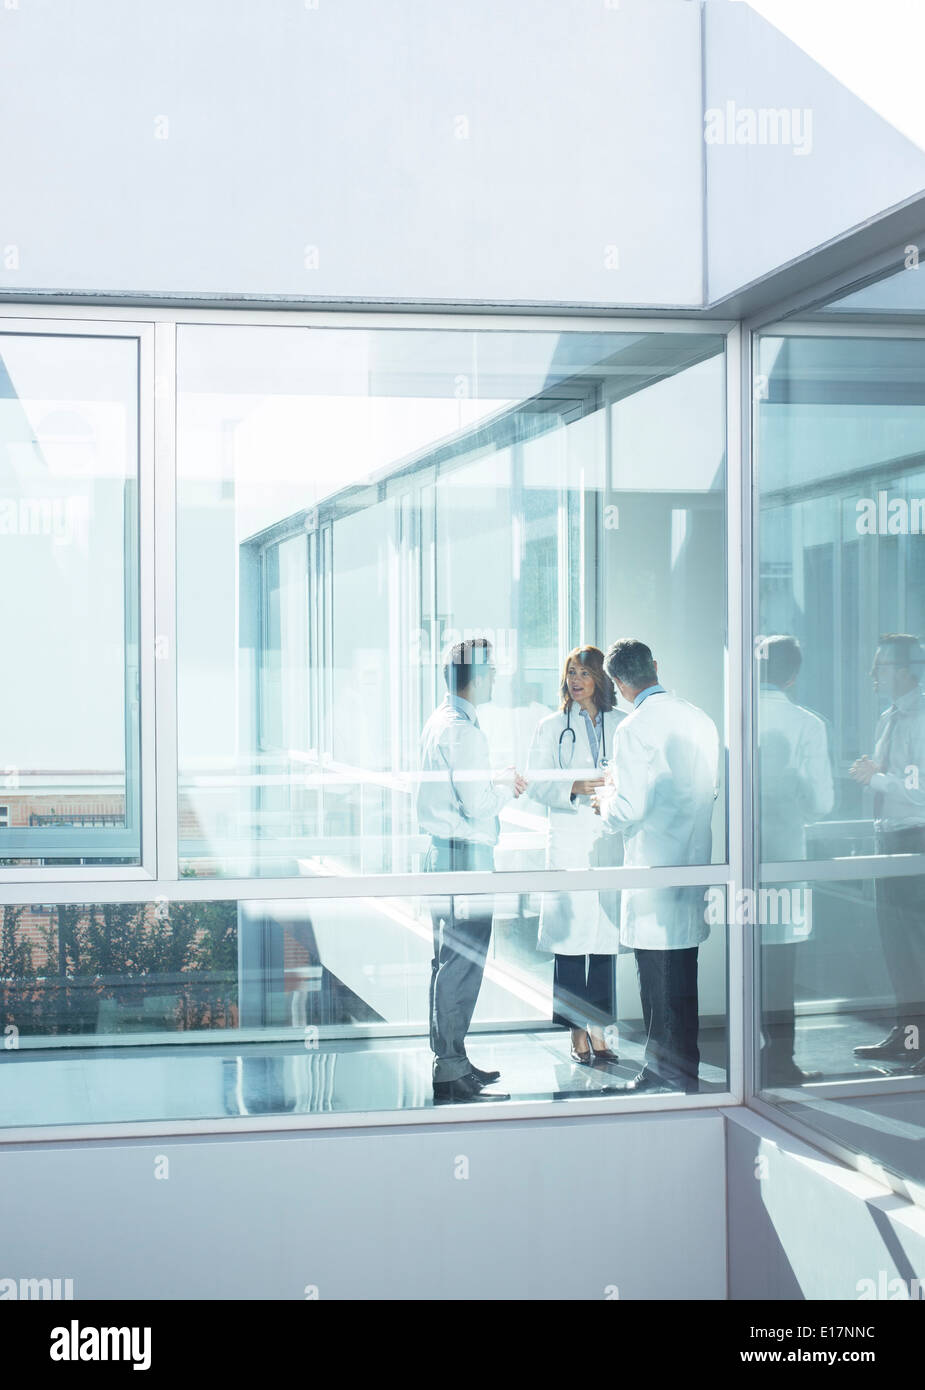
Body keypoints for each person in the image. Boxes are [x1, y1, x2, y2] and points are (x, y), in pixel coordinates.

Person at [593, 639, 720, 1094]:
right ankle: (685, 1066)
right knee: (684, 971)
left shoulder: (634, 728)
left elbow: (627, 807)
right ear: (656, 668)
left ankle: (663, 1070)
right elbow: (710, 789)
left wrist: (603, 802)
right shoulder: (699, 718)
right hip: (694, 863)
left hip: (654, 869)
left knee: (657, 976)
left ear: (619, 684)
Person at [418, 637, 527, 1103]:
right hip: (464, 855)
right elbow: (479, 804)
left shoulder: (441, 723)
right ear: (479, 677)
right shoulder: (463, 731)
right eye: (493, 672)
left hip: (444, 853)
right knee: (461, 964)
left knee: (448, 963)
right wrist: (506, 784)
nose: (496, 679)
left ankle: (453, 1059)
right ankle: (451, 1069)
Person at [526, 646, 625, 1065]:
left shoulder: (622, 725)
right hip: (568, 840)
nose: (576, 679)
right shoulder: (552, 727)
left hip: (606, 839)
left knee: (603, 941)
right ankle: (576, 1032)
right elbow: (535, 782)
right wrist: (574, 788)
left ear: (601, 678)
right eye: (571, 672)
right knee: (569, 942)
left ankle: (600, 1029)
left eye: (584, 672)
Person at [757, 635, 834, 1085]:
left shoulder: (735, 716)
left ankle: (745, 1055)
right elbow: (821, 803)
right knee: (781, 964)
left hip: (738, 858)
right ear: (792, 675)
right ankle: (779, 1060)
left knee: (745, 958)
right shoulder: (806, 724)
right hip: (785, 857)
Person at [850, 634, 925, 1072]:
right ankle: (911, 1035)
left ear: (904, 669)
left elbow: (919, 791)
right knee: (897, 946)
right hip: (892, 837)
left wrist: (874, 778)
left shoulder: (920, 718)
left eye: (880, 667)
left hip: (916, 837)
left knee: (915, 946)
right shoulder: (889, 717)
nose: (873, 676)